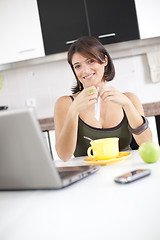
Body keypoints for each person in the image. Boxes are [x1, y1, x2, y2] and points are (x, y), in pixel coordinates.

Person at [54, 36, 152, 161]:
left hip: (126, 171)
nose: (85, 70)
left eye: (90, 61)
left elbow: (147, 143)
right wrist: (73, 111)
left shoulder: (129, 99)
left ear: (104, 60)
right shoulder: (65, 104)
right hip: (88, 175)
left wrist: (127, 105)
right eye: (77, 66)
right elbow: (64, 156)